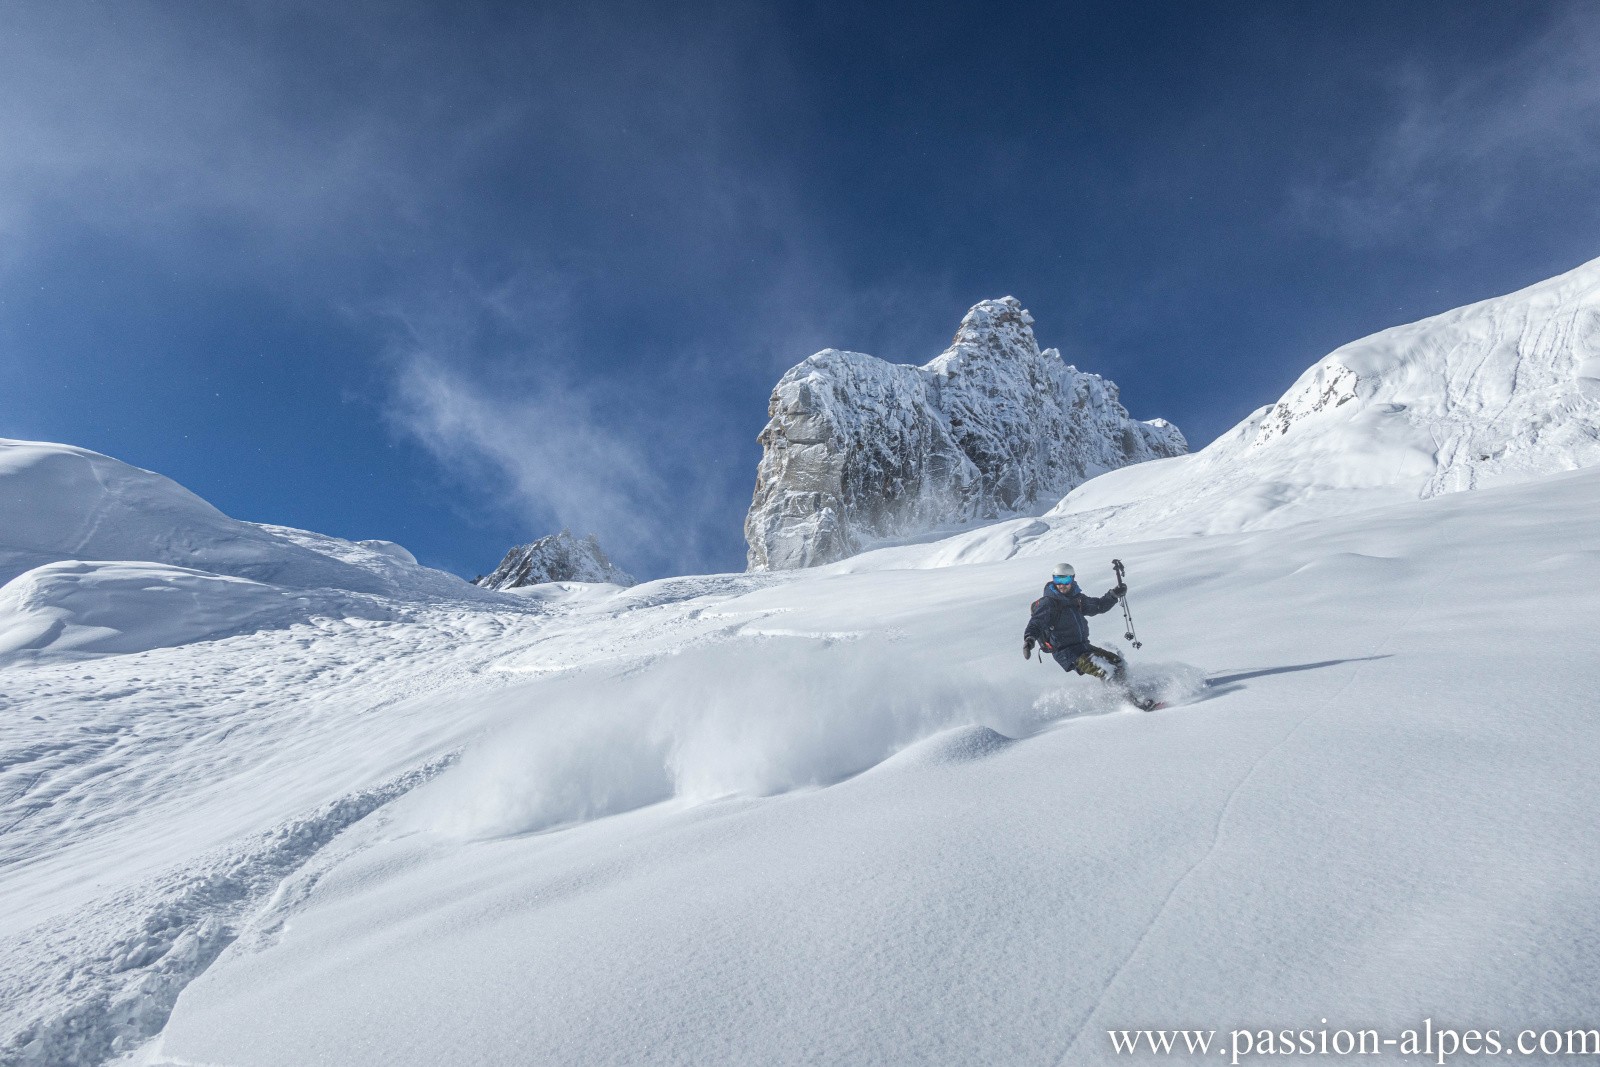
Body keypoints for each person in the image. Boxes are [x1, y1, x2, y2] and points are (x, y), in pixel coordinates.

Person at [1023, 562, 1136, 693]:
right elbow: (1036, 622)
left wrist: (1113, 595)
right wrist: (1029, 639)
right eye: (1058, 579)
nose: (1062, 584)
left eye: (1065, 579)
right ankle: (1133, 700)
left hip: (1083, 646)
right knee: (1106, 671)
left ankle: (1125, 691)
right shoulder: (1048, 603)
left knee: (1117, 662)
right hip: (1068, 653)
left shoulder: (1077, 599)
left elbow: (1098, 606)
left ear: (1072, 578)